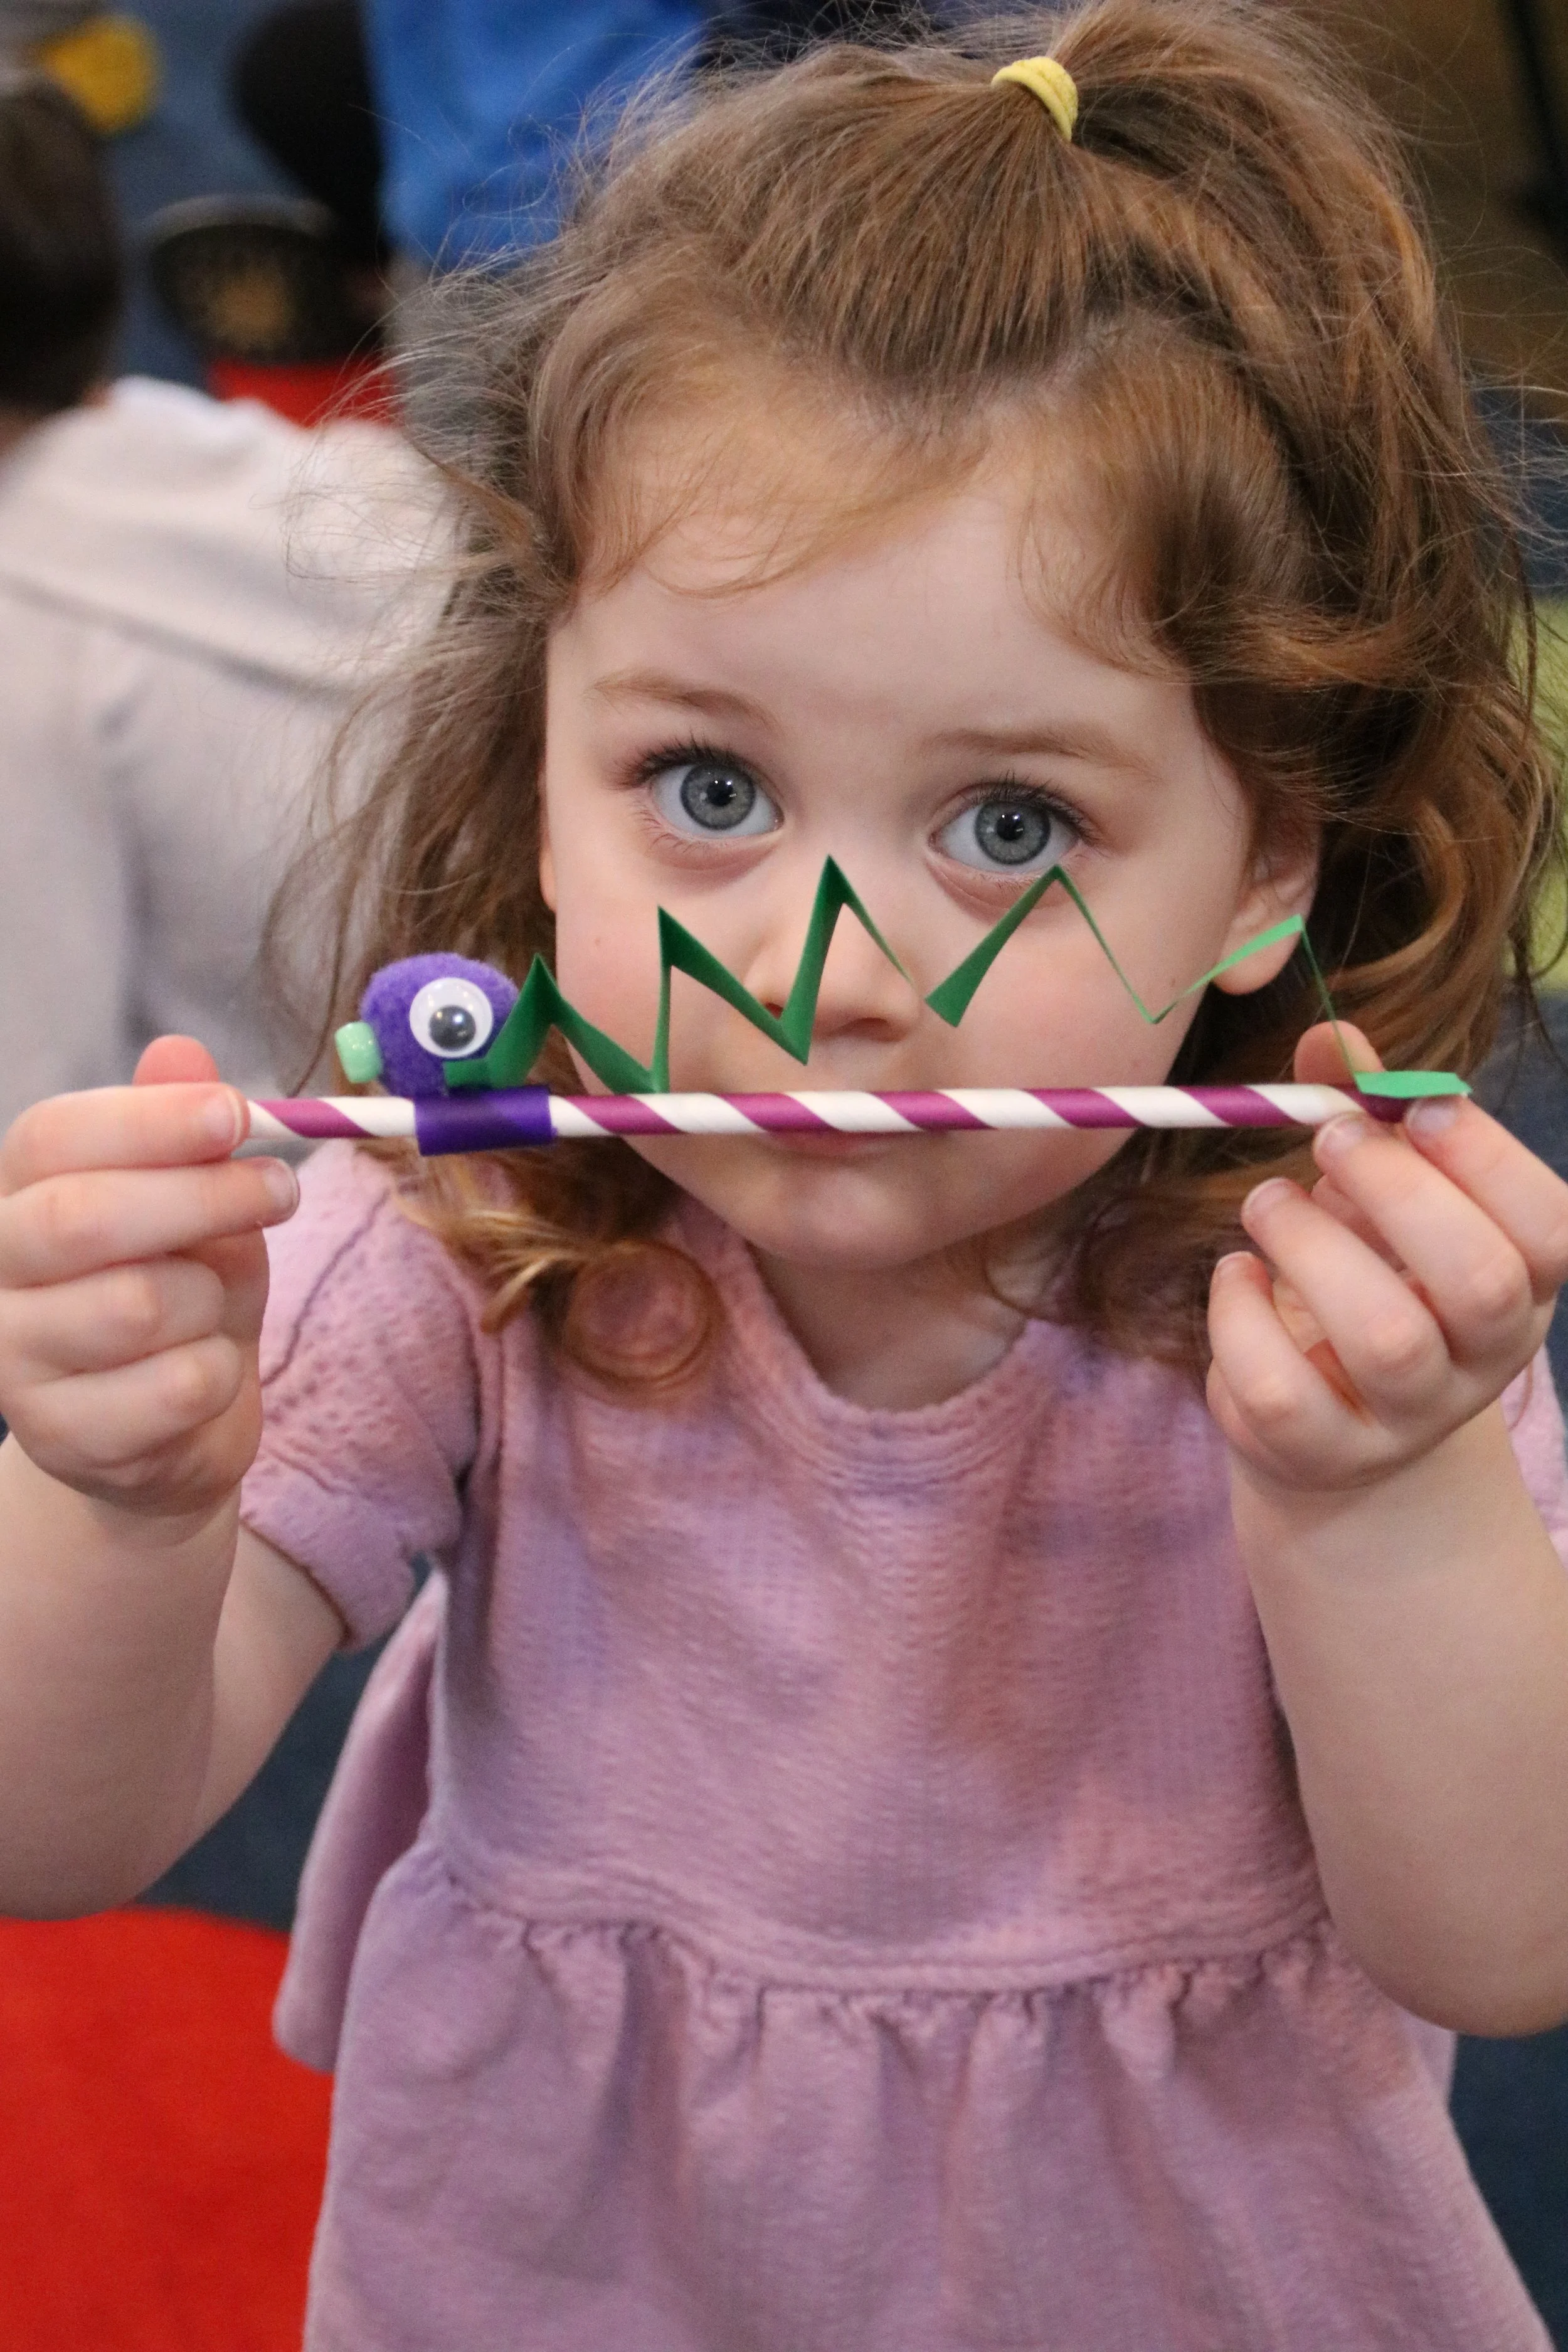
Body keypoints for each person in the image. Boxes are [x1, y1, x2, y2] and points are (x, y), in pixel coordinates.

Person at [3, 5, 1568, 2344]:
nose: (818, 974)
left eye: (1011, 826)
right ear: (539, 761)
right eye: (709, 787)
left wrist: (1383, 1498)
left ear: (1264, 871)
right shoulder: (458, 1232)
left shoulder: (1326, 1305)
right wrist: (117, 1501)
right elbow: (59, 1833)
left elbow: (1505, 1940)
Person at [0, 75, 443, 1129]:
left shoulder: (29, 650)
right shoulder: (357, 474)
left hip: (258, 1208)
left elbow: (34, 1102)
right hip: (493, 1128)